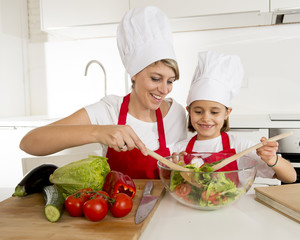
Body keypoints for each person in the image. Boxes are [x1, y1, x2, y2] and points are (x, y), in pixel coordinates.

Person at [20, 6, 187, 179]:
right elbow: (29, 142)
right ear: (134, 74)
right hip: (119, 204)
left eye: (170, 81)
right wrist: (98, 132)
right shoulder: (109, 111)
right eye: (155, 78)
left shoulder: (177, 113)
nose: (164, 90)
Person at [171, 51, 296, 183]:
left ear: (226, 113)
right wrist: (177, 172)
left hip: (231, 204)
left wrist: (271, 159)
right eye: (198, 111)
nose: (206, 118)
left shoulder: (241, 147)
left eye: (214, 112)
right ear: (189, 111)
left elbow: (290, 177)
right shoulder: (180, 150)